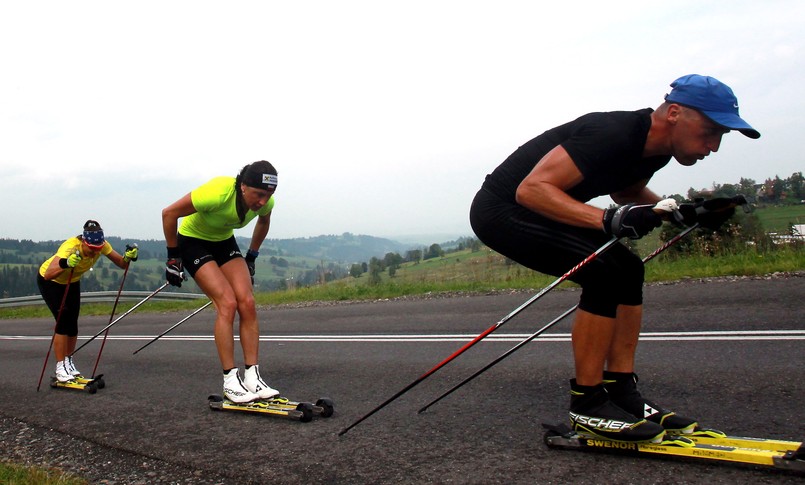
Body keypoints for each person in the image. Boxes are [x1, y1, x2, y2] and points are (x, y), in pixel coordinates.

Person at [469, 74, 759, 443]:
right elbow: (532, 189)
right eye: (710, 130)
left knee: (627, 269)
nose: (713, 146)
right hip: (503, 210)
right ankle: (587, 405)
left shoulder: (656, 150)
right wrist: (609, 219)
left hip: (540, 206)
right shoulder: (614, 132)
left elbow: (626, 189)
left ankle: (622, 394)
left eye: (721, 136)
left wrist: (679, 212)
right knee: (604, 272)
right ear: (674, 113)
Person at [161, 160, 280, 403]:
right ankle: (229, 380)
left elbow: (264, 222)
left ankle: (252, 377)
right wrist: (173, 257)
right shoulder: (217, 192)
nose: (263, 202)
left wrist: (252, 257)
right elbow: (169, 213)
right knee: (227, 303)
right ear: (243, 187)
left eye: (268, 196)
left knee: (246, 301)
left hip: (223, 241)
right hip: (192, 241)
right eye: (258, 195)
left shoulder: (265, 201)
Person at [38, 220, 139, 382]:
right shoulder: (70, 247)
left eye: (97, 250)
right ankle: (60, 367)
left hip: (72, 281)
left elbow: (121, 264)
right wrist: (66, 263)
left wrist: (127, 257)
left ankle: (68, 361)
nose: (94, 253)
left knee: (72, 325)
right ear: (84, 242)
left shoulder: (102, 244)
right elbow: (49, 273)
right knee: (62, 322)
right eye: (91, 249)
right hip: (51, 282)